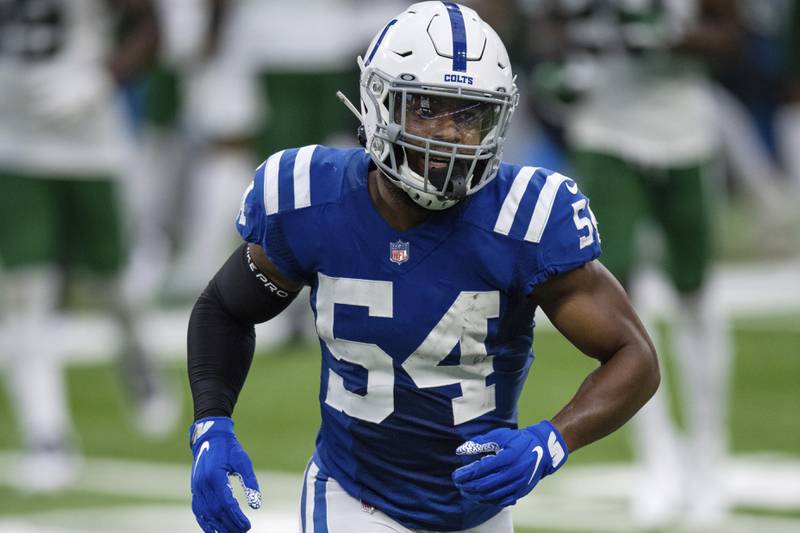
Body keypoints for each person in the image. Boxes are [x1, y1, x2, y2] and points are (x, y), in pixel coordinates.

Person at [186, 2, 660, 532]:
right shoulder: (312, 198)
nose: (452, 134)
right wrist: (212, 423)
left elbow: (633, 356)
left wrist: (552, 440)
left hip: (478, 508)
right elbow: (224, 309)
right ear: (381, 102)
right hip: (353, 497)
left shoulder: (525, 218)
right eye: (428, 108)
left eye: (469, 114)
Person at [526, 0, 739, 527]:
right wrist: (562, 64)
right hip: (605, 132)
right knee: (617, 302)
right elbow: (547, 28)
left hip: (685, 131)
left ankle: (711, 456)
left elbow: (732, 36)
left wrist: (667, 36)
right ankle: (658, 461)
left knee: (695, 295)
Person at [0, 0, 175, 492]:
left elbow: (150, 28)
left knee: (109, 284)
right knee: (23, 291)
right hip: (14, 141)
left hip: (89, 142)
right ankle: (47, 435)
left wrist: (104, 77)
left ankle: (135, 352)